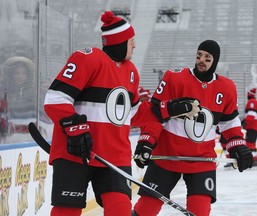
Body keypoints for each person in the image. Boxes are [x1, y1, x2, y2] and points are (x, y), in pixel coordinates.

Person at [43, 11, 196, 216]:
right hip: (77, 152)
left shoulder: (131, 71)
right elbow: (56, 99)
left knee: (121, 210)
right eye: (132, 41)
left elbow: (132, 113)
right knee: (66, 211)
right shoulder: (87, 59)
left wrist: (169, 109)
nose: (134, 45)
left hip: (114, 157)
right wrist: (75, 128)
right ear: (121, 41)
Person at [132, 40, 253, 216]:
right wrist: (147, 141)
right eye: (199, 56)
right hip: (167, 156)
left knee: (200, 211)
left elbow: (229, 123)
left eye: (207, 58)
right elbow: (154, 115)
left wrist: (238, 145)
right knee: (146, 208)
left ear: (215, 61)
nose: (201, 60)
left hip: (202, 161)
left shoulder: (226, 87)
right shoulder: (174, 78)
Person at [241, 88, 257, 167]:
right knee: (251, 144)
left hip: (253, 126)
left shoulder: (252, 102)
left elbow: (251, 114)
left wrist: (244, 122)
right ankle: (255, 160)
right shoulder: (255, 102)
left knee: (249, 144)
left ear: (249, 94)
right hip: (254, 126)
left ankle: (253, 160)